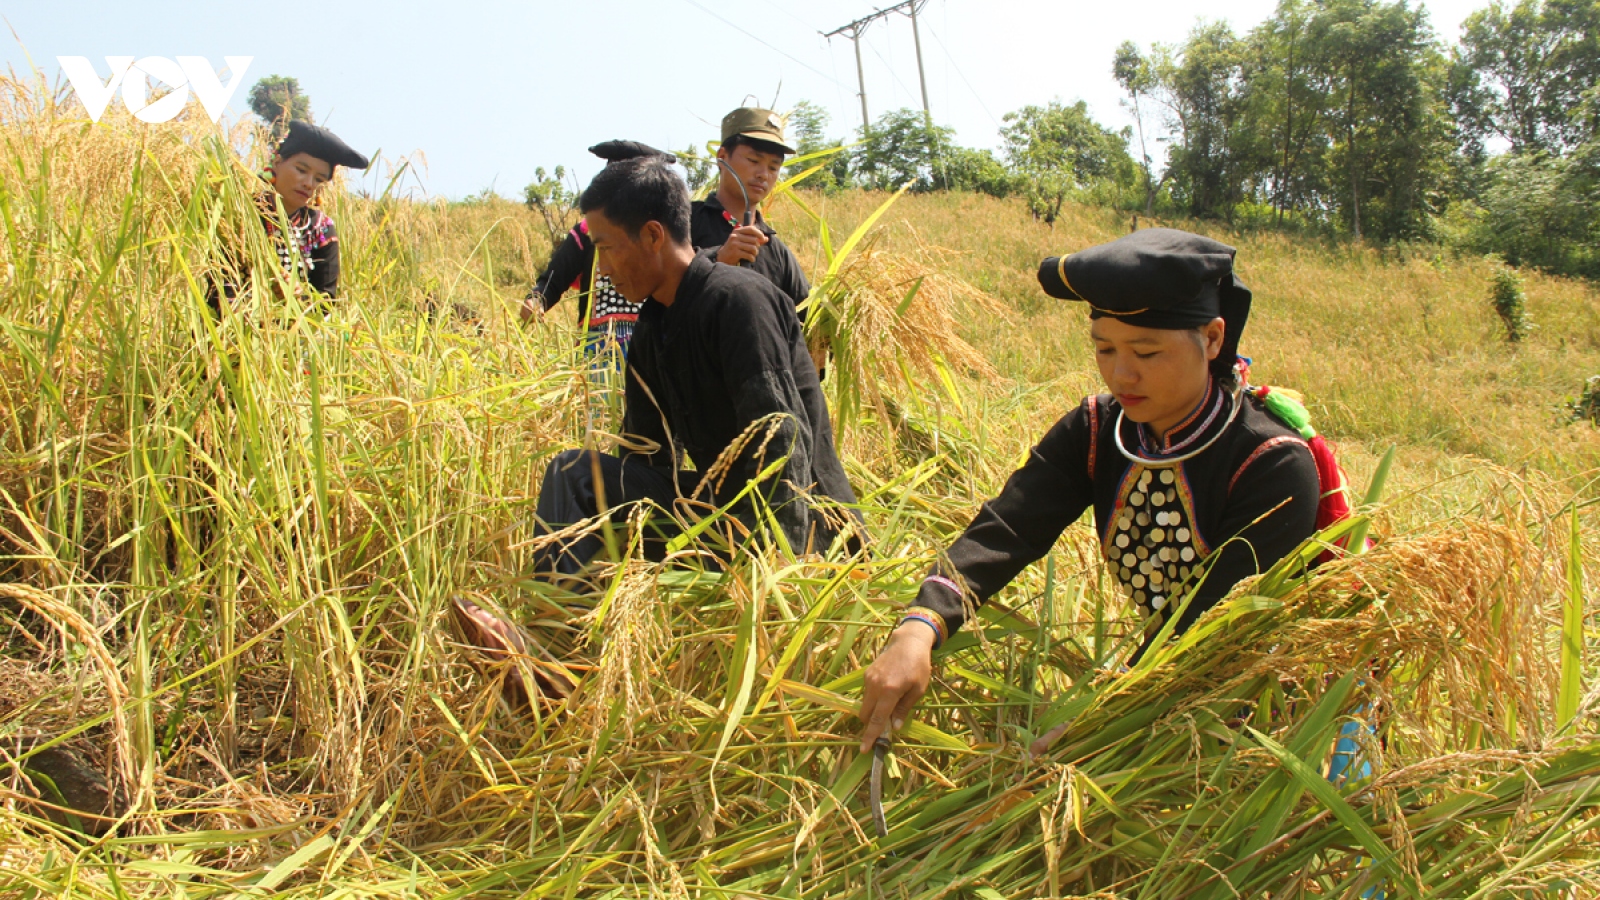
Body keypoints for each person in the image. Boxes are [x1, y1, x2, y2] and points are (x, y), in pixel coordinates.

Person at [856, 228, 1322, 753]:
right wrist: (922, 624)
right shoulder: (1100, 429)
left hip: (1268, 709)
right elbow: (1009, 528)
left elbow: (1214, 627)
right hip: (1156, 686)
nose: (1122, 373)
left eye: (1146, 352)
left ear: (1212, 338)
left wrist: (1100, 724)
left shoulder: (1270, 463)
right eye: (1104, 348)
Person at [531, 156, 860, 578]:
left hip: (805, 531)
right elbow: (644, 455)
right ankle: (562, 624)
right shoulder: (654, 324)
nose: (604, 270)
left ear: (652, 235)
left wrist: (782, 579)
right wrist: (643, 578)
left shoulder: (738, 302)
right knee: (576, 476)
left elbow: (782, 448)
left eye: (607, 249)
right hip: (720, 512)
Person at [521, 140, 675, 361]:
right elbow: (553, 280)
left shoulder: (661, 235)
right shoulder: (587, 234)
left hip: (655, 345)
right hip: (600, 348)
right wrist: (536, 301)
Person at [209, 120, 368, 312]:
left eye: (319, 179)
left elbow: (325, 305)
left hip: (295, 336)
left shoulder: (320, 229)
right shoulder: (240, 214)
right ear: (277, 162)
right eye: (301, 170)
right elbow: (218, 289)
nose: (309, 183)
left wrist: (296, 299)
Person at [690, 107, 811, 308]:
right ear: (722, 157)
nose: (764, 174)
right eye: (753, 160)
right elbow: (660, 294)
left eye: (773, 167)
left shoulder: (777, 252)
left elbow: (805, 318)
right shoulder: (685, 221)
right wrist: (719, 260)